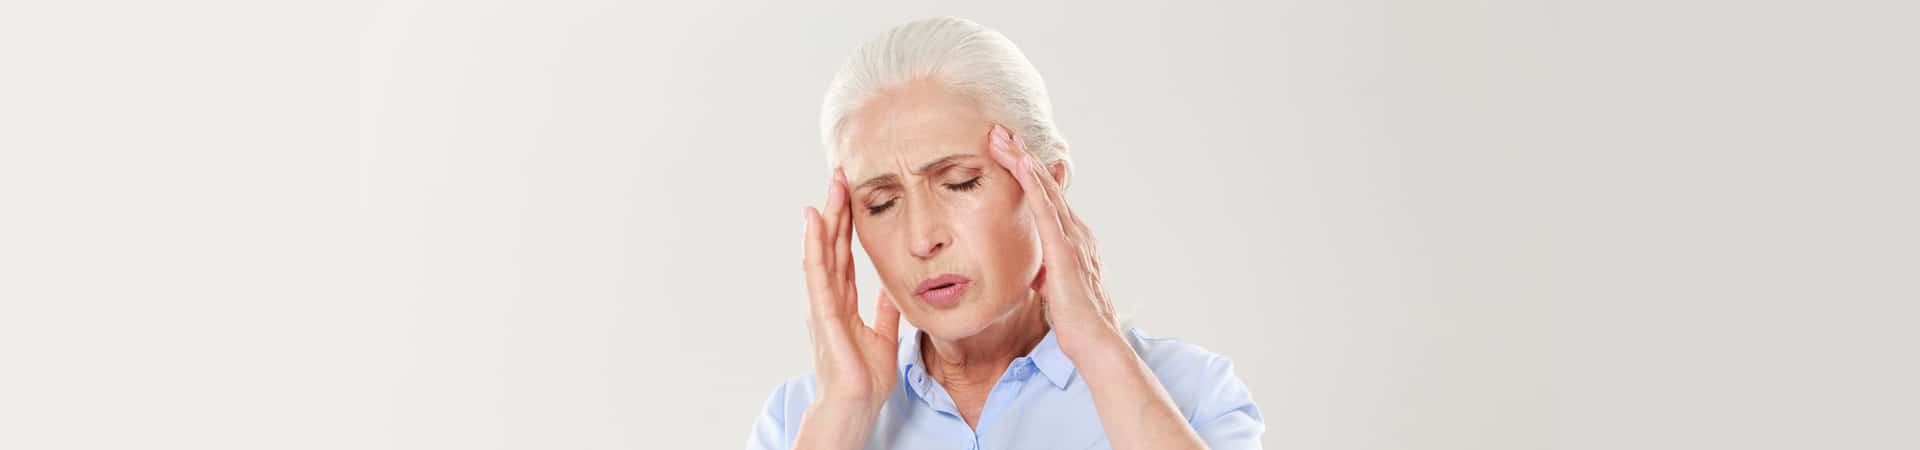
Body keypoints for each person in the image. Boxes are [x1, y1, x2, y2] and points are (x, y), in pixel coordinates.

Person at [748, 17, 1263, 450]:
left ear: (1048, 185)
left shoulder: (1189, 391)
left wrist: (1101, 354)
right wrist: (845, 413)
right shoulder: (799, 419)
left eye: (960, 182)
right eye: (881, 203)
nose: (922, 240)